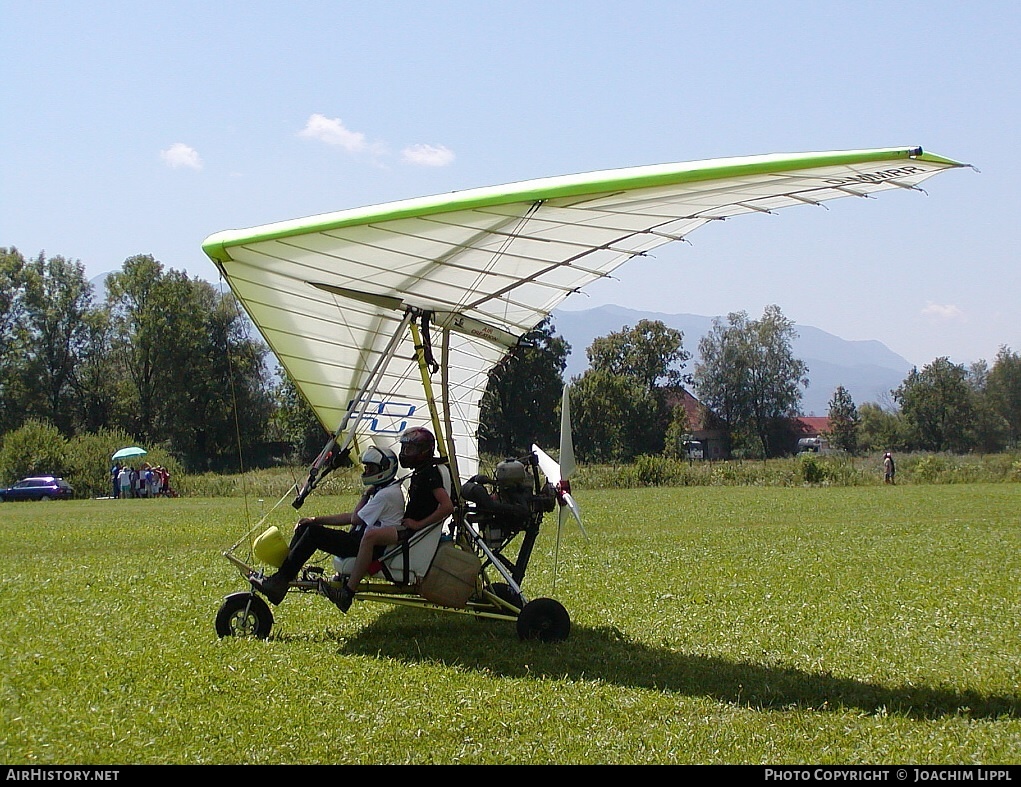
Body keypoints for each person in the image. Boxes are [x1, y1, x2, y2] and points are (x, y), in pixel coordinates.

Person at [249, 446, 405, 606]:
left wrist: (365, 495)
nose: (366, 472)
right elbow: (352, 517)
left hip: (369, 547)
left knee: (313, 533)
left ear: (385, 469)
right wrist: (315, 519)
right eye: (366, 468)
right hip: (361, 540)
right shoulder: (383, 489)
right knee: (307, 527)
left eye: (371, 468)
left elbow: (355, 518)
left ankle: (279, 581)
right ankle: (282, 577)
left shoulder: (386, 494)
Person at [328, 426, 454, 613]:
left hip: (412, 532)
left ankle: (348, 591)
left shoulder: (429, 474)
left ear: (423, 451)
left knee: (371, 535)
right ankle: (347, 574)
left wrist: (418, 524)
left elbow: (447, 506)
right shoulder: (421, 471)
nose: (404, 453)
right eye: (404, 449)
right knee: (367, 525)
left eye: (409, 450)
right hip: (409, 528)